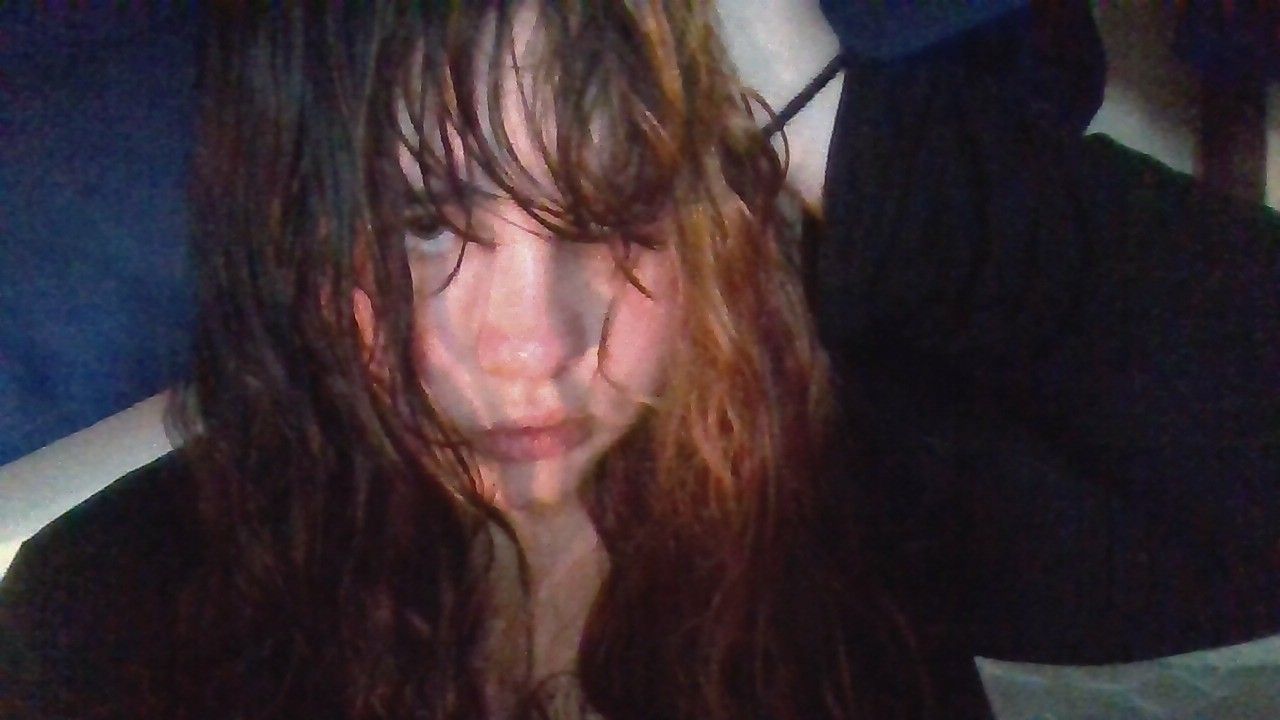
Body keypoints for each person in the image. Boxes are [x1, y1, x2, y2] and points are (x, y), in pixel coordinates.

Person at [2, 3, 1278, 720]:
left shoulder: (835, 500)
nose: (533, 347)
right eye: (422, 224)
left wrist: (818, 108)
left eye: (618, 210)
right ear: (292, 220)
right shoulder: (113, 627)